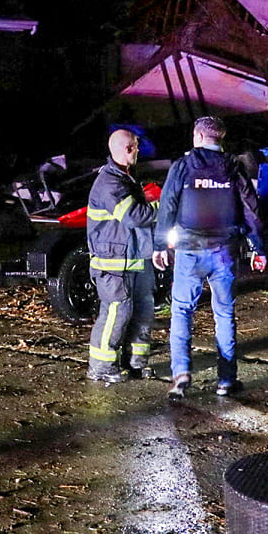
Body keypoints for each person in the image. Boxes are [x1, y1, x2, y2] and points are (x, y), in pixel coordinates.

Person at [153, 115, 266, 399]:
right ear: (220, 138)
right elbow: (251, 208)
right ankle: (226, 380)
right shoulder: (233, 167)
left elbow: (167, 205)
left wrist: (159, 245)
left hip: (189, 250)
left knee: (181, 311)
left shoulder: (182, 167)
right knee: (224, 314)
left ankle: (181, 374)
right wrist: (258, 246)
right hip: (224, 251)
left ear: (198, 137)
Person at [84, 128, 160, 384]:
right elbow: (134, 217)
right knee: (117, 313)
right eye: (136, 146)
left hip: (135, 260)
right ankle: (101, 367)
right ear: (128, 149)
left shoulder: (125, 178)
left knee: (143, 311)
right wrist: (163, 206)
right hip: (114, 265)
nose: (138, 150)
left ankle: (136, 363)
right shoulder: (109, 183)